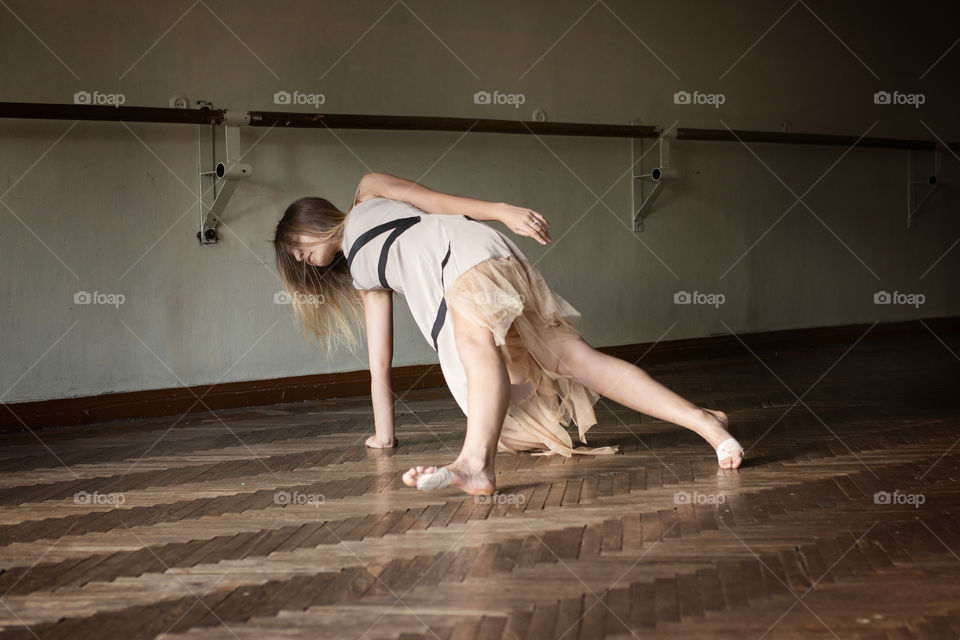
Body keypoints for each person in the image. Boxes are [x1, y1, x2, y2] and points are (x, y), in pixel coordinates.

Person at [273, 172, 743, 496]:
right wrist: (384, 438)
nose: (299, 260)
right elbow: (380, 366)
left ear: (308, 219)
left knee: (480, 353)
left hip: (460, 251)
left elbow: (436, 202)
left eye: (295, 248)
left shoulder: (368, 190)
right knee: (574, 360)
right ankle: (704, 421)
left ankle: (475, 466)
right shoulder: (363, 277)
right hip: (474, 262)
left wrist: (501, 211)